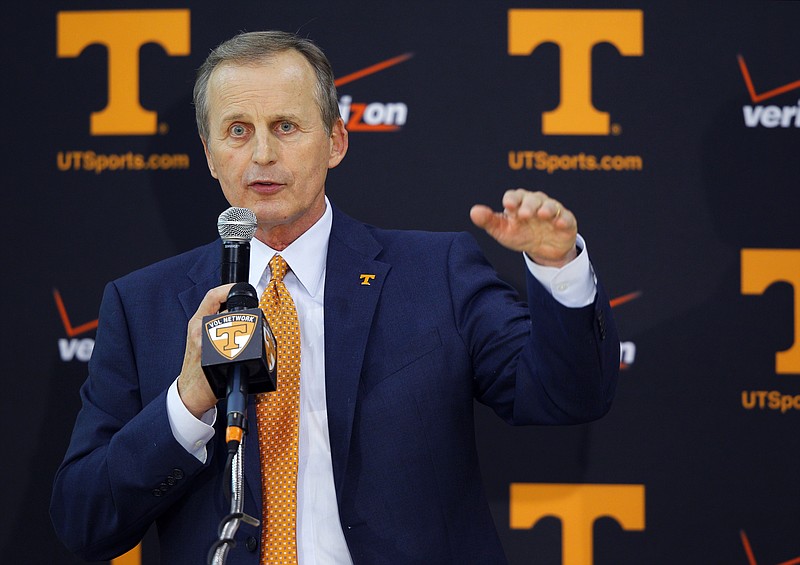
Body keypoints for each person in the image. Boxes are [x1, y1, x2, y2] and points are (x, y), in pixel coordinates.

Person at [50, 30, 619, 565]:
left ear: (336, 141)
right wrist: (187, 402)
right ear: (209, 152)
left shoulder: (434, 273)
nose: (263, 154)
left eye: (287, 127)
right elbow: (84, 522)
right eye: (238, 130)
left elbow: (566, 396)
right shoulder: (141, 305)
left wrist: (557, 270)